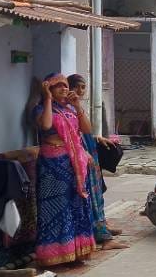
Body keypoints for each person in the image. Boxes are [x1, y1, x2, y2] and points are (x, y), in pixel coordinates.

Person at [32, 73, 96, 266]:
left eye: (65, 85)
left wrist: (77, 106)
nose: (63, 89)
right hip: (52, 167)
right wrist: (48, 99)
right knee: (56, 208)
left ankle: (76, 252)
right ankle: (55, 254)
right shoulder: (40, 109)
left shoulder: (70, 109)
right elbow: (46, 125)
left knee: (75, 206)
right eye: (57, 86)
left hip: (73, 165)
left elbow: (86, 129)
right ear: (49, 89)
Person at [67, 75, 126, 249]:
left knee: (97, 191)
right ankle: (102, 236)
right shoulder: (66, 109)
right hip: (80, 154)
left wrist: (95, 137)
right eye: (76, 87)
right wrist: (83, 152)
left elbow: (83, 130)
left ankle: (102, 225)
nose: (80, 91)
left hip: (88, 149)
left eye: (83, 87)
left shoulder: (75, 107)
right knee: (90, 195)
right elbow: (71, 135)